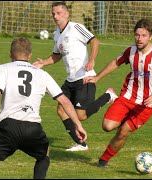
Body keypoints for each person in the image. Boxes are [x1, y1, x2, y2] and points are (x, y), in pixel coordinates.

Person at [0, 37, 87, 179]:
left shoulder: (3, 68)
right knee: (44, 155)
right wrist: (78, 125)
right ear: (29, 55)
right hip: (32, 129)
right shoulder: (42, 74)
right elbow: (64, 101)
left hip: (7, 127)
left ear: (10, 54)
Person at [83, 19, 152, 167]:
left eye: (144, 35)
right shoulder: (131, 51)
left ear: (150, 36)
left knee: (123, 132)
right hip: (127, 97)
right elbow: (116, 62)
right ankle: (114, 103)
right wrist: (97, 77)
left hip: (146, 103)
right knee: (107, 126)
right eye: (137, 35)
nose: (139, 39)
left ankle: (103, 161)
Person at [32, 1, 117, 152]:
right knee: (61, 109)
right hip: (70, 80)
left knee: (81, 116)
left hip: (85, 77)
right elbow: (57, 56)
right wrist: (43, 63)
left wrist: (91, 60)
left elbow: (95, 41)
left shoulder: (76, 28)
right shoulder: (57, 34)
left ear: (66, 13)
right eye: (53, 14)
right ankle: (81, 143)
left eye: (58, 13)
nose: (55, 16)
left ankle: (108, 96)